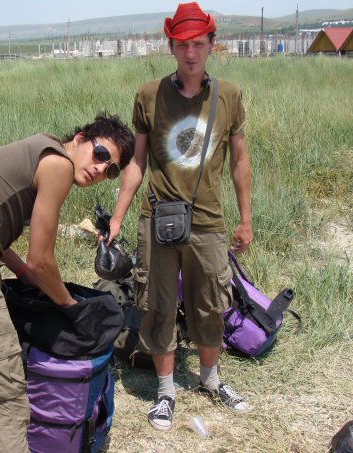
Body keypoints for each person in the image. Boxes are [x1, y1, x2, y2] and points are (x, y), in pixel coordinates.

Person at [0, 112, 134, 452]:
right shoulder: (58, 166)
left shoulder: (38, 147)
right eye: (100, 154)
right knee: (1, 397)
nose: (100, 169)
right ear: (80, 138)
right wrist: (70, 307)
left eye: (111, 170)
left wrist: (22, 275)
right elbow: (42, 262)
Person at [106, 2, 253, 431]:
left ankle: (210, 380)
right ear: (170, 46)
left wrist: (245, 219)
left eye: (199, 44)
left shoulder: (229, 96)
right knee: (157, 305)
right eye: (182, 45)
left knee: (210, 303)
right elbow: (137, 162)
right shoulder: (149, 95)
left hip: (207, 222)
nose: (191, 53)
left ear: (211, 45)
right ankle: (166, 391)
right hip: (158, 220)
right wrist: (117, 217)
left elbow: (239, 161)